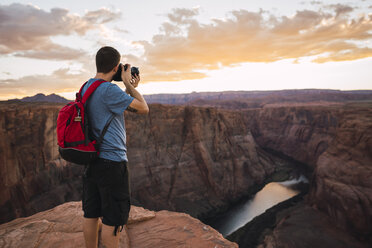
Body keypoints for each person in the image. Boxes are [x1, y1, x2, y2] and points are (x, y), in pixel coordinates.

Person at [81, 46, 149, 248]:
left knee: (91, 213)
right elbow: (143, 108)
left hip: (91, 160)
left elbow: (123, 104)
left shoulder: (87, 86)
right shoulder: (109, 90)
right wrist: (130, 84)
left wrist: (127, 87)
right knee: (113, 219)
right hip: (112, 164)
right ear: (116, 67)